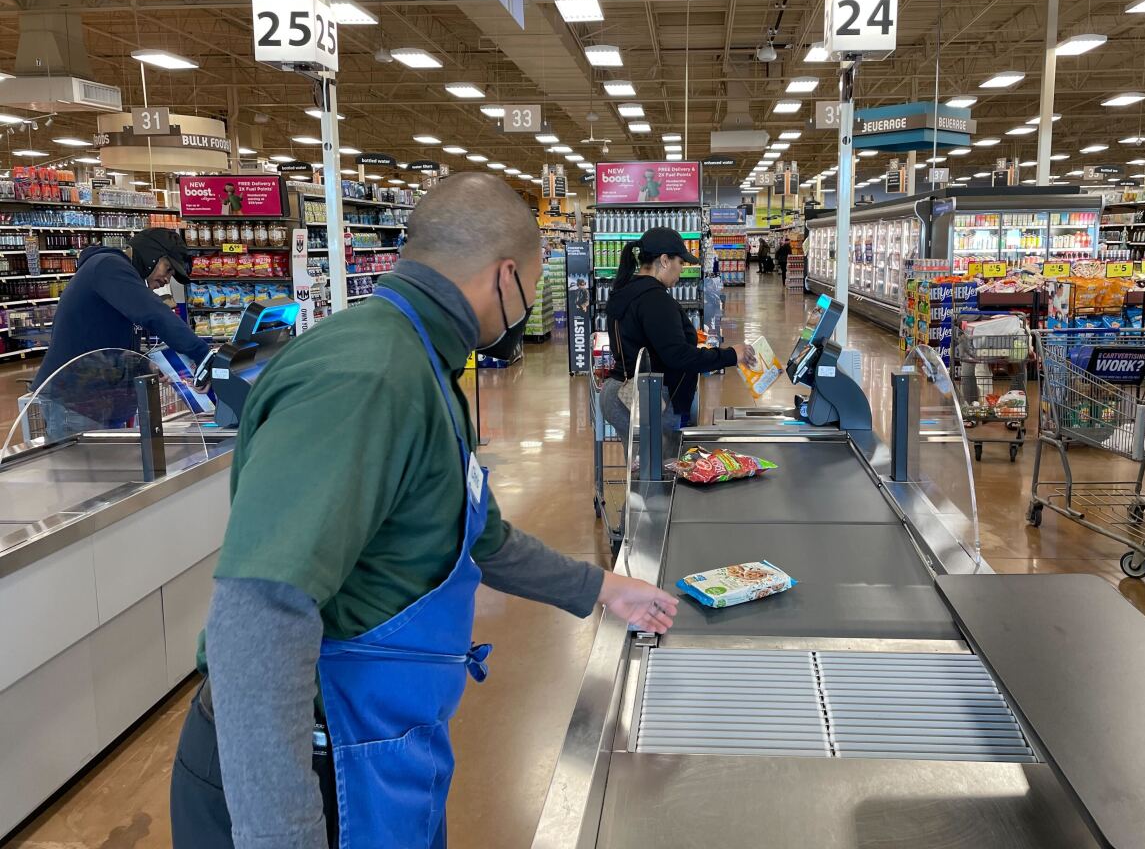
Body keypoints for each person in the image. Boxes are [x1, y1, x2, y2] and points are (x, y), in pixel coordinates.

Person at [169, 174, 677, 848]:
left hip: (379, 748)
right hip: (309, 776)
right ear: (505, 277)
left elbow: (481, 536)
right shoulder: (369, 379)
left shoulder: (424, 364)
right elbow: (258, 616)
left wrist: (607, 589)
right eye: (528, 287)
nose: (524, 309)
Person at [30, 229, 210, 436]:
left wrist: (145, 364)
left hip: (96, 399)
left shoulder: (117, 277)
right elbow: (154, 314)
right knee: (80, 467)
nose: (167, 279)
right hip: (76, 400)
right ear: (151, 255)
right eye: (167, 269)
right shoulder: (108, 266)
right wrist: (202, 354)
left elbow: (109, 342)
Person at [600, 227, 750, 440]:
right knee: (662, 467)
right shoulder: (655, 299)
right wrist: (731, 355)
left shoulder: (627, 290)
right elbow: (678, 356)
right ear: (664, 260)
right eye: (680, 262)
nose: (681, 270)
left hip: (622, 392)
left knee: (642, 468)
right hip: (647, 398)